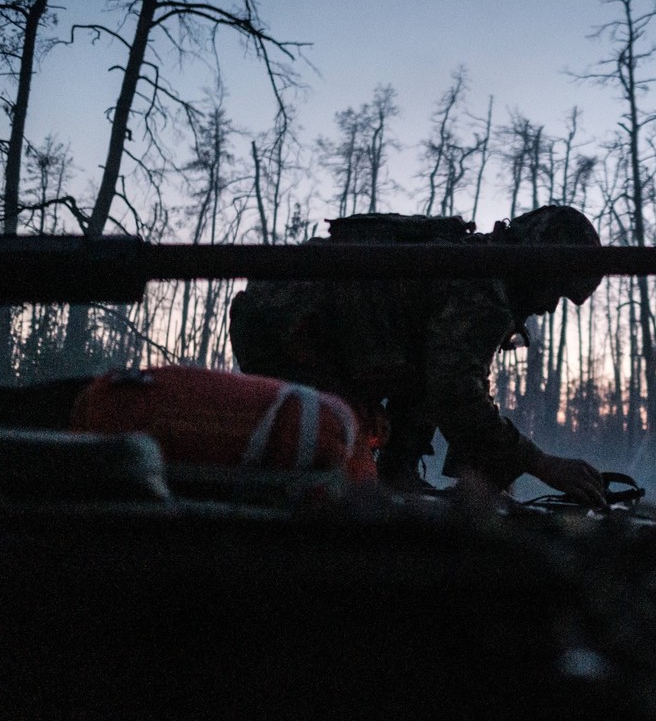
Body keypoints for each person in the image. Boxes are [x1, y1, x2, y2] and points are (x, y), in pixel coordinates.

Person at [228, 205, 608, 508]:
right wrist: (539, 463)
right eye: (555, 290)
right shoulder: (483, 286)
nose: (551, 307)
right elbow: (454, 392)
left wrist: (487, 470)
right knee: (330, 477)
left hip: (285, 325)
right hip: (288, 335)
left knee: (356, 466)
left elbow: (440, 376)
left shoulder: (478, 269)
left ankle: (395, 473)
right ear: (536, 268)